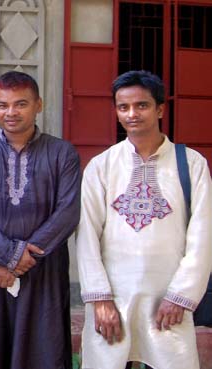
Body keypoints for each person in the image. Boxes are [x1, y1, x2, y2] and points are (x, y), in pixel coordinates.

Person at [77, 70, 212, 369]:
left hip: (167, 301)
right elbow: (87, 236)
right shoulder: (102, 166)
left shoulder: (191, 165)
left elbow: (203, 236)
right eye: (123, 107)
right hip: (113, 300)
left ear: (160, 109)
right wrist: (100, 300)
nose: (132, 114)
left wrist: (180, 296)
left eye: (142, 105)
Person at [0, 71, 80, 369]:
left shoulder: (62, 153)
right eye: (2, 105)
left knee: (41, 348)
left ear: (39, 105)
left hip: (42, 271)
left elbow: (68, 211)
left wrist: (21, 258)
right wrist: (8, 255)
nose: (10, 112)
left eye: (20, 104)